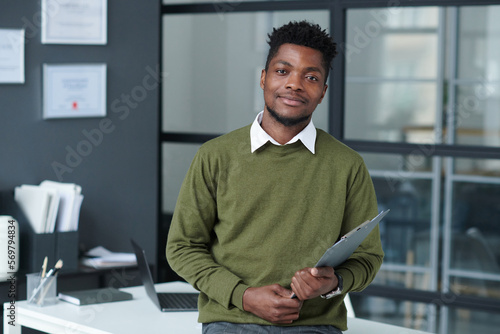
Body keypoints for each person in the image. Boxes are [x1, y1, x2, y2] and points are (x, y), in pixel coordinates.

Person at [166, 20, 384, 333]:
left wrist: (334, 282)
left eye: (310, 77)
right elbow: (182, 248)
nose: (295, 84)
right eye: (283, 71)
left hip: (314, 325)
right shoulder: (215, 156)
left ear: (322, 92)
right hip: (232, 320)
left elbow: (367, 258)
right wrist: (243, 296)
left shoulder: (347, 165)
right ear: (264, 78)